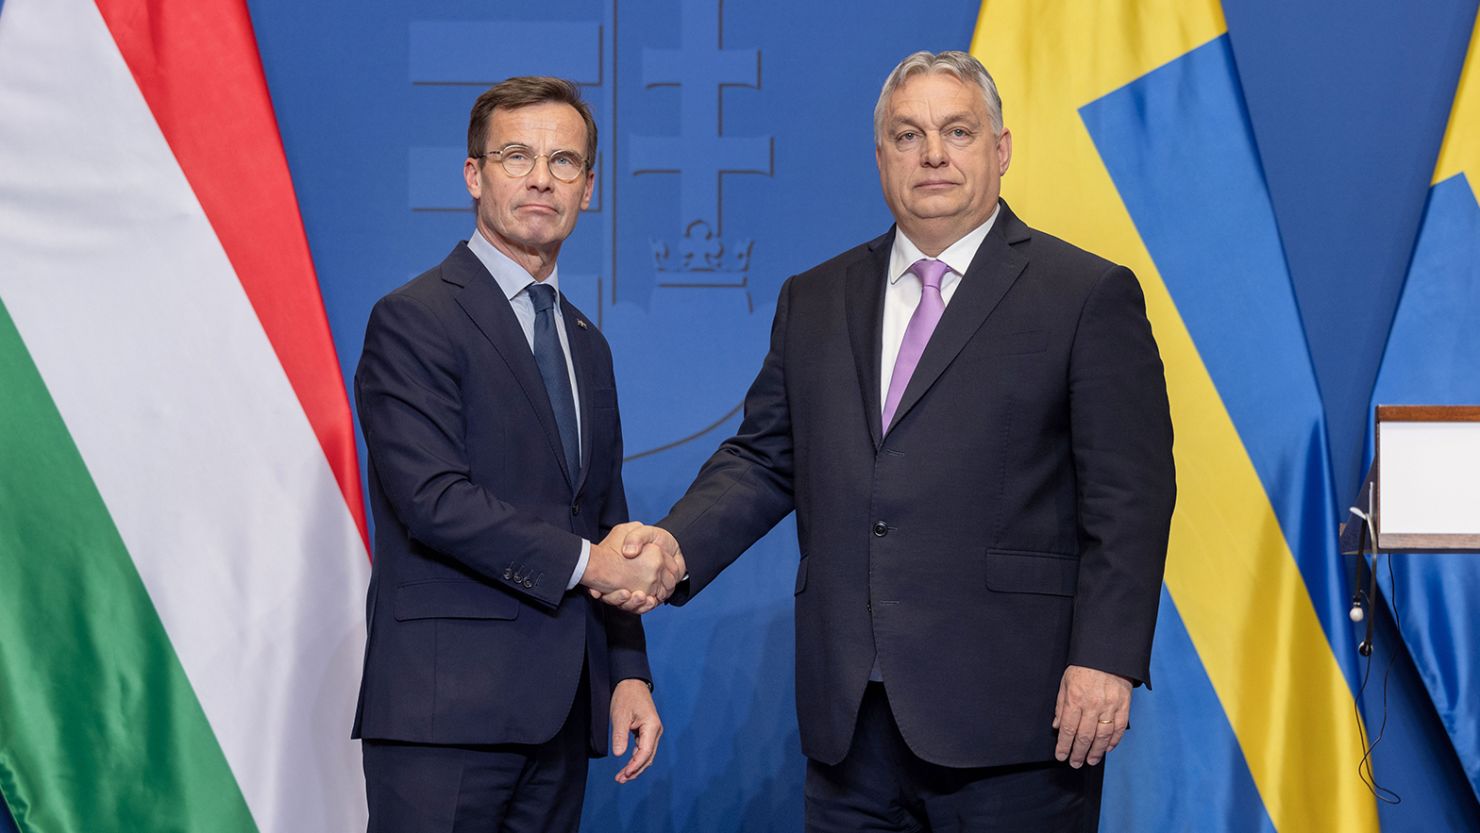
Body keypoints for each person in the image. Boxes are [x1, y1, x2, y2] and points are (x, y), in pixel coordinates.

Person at [617, 51, 1176, 831]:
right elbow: (766, 456)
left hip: (1018, 722)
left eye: (958, 131)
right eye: (908, 135)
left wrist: (1107, 656)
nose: (934, 154)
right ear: (882, 156)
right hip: (851, 724)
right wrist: (675, 546)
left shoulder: (1085, 293)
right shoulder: (814, 298)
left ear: (1002, 148)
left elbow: (1131, 499)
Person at [351, 76, 683, 832]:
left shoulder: (587, 345)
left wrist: (628, 670)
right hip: (444, 719)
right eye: (516, 156)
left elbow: (604, 514)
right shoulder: (414, 318)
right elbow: (434, 500)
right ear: (474, 175)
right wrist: (591, 562)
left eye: (564, 162)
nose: (541, 177)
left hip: (563, 714)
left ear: (588, 189)